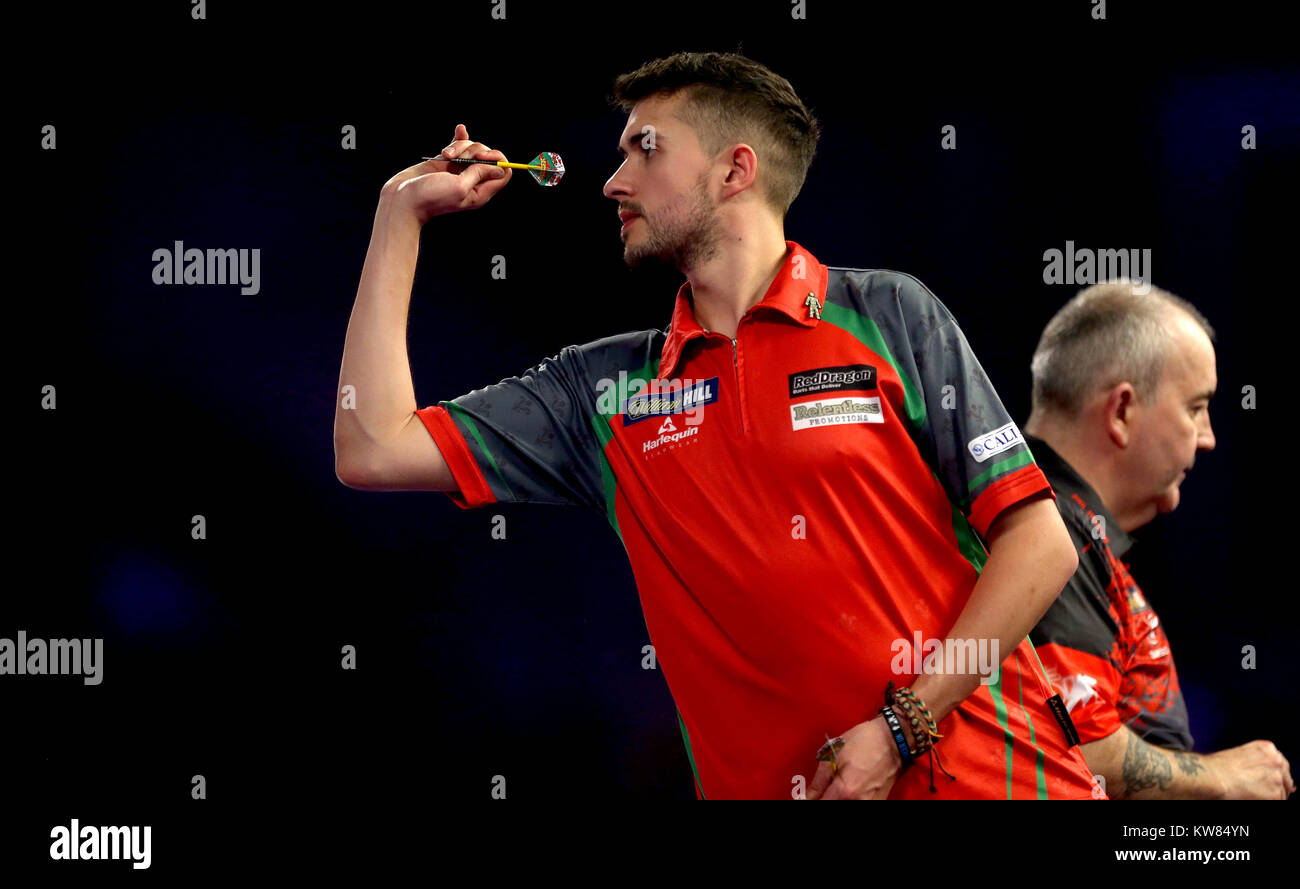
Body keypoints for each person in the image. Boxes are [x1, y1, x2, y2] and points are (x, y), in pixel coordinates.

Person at [334, 51, 1097, 799]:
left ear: (735, 171)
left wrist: (904, 726)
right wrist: (397, 215)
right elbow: (370, 445)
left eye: (646, 148)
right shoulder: (603, 393)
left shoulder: (890, 314)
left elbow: (1038, 542)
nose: (613, 181)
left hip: (1005, 779)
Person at [1025, 280, 1295, 799]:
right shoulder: (1047, 525)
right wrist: (1221, 779)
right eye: (1196, 408)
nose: (1209, 437)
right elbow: (1072, 747)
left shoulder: (1077, 530)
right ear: (1122, 411)